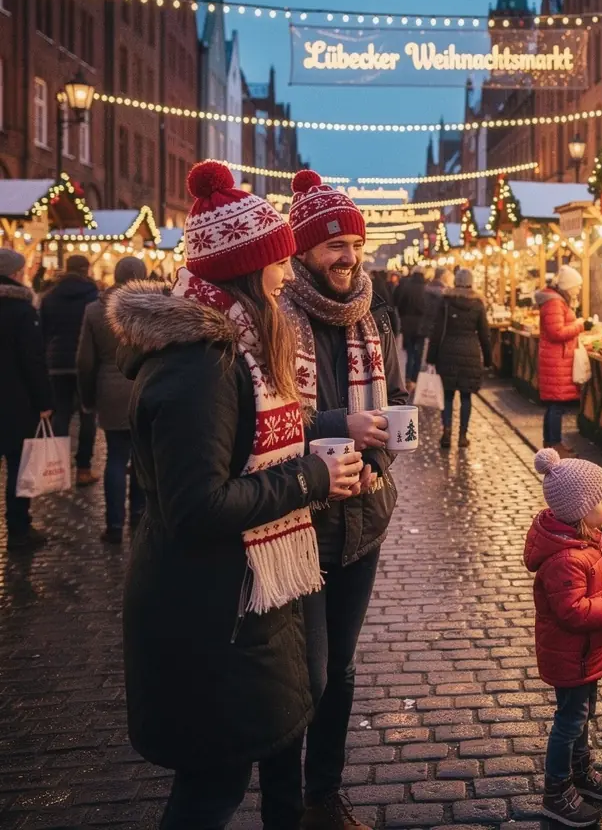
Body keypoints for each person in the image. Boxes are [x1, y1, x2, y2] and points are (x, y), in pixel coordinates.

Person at [109, 161, 363, 830]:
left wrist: (312, 451)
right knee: (212, 791)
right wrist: (309, 478)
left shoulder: (239, 347)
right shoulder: (201, 364)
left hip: (256, 599)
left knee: (282, 750)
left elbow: (251, 446)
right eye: (278, 263)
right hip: (214, 613)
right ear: (248, 271)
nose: (286, 277)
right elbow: (198, 508)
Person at [280, 170, 408, 830]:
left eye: (354, 243)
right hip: (298, 523)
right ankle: (283, 800)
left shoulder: (370, 317)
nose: (347, 256)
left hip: (362, 522)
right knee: (301, 669)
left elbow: (385, 411)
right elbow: (261, 424)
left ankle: (323, 793)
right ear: (302, 251)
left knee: (342, 668)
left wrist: (382, 456)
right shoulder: (277, 322)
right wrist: (338, 426)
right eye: (333, 245)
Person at [524, 448, 602, 828]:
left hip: (587, 655)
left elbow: (601, 573)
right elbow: (574, 612)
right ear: (581, 509)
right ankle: (556, 792)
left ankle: (580, 773)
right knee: (570, 721)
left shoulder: (587, 539)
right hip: (571, 656)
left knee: (582, 715)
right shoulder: (565, 558)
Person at [77, 256, 148, 545]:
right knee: (143, 461)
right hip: (145, 389)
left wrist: (87, 398)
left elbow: (84, 361)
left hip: (110, 391)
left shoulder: (95, 310)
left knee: (116, 459)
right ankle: (141, 520)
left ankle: (114, 525)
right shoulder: (153, 309)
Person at [0, 249, 54, 549]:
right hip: (16, 402)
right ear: (15, 273)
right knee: (20, 469)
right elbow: (32, 360)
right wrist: (44, 401)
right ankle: (18, 529)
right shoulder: (22, 310)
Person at [40, 253, 99, 486]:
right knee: (87, 415)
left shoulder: (50, 296)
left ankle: (58, 467)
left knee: (61, 413)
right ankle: (83, 468)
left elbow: (43, 333)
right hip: (85, 363)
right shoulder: (93, 296)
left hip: (56, 362)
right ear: (86, 269)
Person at [427, 267, 490, 449]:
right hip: (470, 352)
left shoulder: (446, 301)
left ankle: (446, 431)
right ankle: (463, 435)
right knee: (466, 396)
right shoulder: (478, 304)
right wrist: (487, 359)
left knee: (447, 395)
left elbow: (437, 331)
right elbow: (485, 334)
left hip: (447, 352)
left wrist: (431, 357)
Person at [536, 265, 592, 455]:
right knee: (556, 405)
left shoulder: (556, 301)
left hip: (557, 358)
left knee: (554, 405)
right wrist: (580, 325)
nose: (578, 290)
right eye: (576, 286)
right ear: (568, 286)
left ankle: (550, 443)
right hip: (556, 360)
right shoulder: (554, 303)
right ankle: (554, 445)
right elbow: (556, 332)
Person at [392, 268, 427, 391]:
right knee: (419, 353)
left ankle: (407, 377)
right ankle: (414, 378)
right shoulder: (425, 288)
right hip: (421, 325)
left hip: (407, 324)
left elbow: (399, 303)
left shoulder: (406, 286)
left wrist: (403, 316)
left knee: (410, 352)